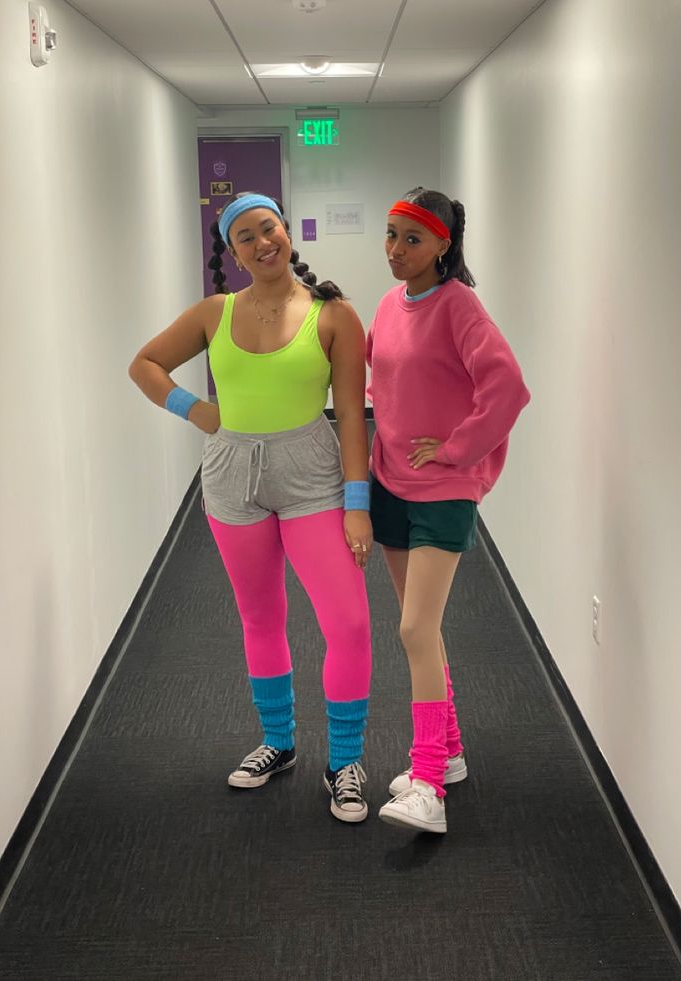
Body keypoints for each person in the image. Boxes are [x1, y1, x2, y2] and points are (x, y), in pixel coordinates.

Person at [129, 192, 373, 823]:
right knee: (260, 617)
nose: (262, 243)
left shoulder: (335, 314)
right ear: (232, 253)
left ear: (286, 232)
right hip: (231, 478)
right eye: (245, 237)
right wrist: (196, 410)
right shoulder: (214, 312)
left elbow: (351, 412)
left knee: (347, 623)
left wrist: (356, 502)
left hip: (312, 476)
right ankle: (279, 742)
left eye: (269, 229)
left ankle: (344, 761)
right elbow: (145, 364)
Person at [367, 187, 530, 833]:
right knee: (421, 628)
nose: (396, 251)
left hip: (444, 489)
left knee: (413, 629)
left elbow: (508, 386)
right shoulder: (388, 302)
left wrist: (459, 447)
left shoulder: (459, 305)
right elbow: (376, 376)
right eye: (390, 235)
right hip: (390, 481)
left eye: (412, 239)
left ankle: (427, 779)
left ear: (443, 244)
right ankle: (450, 753)